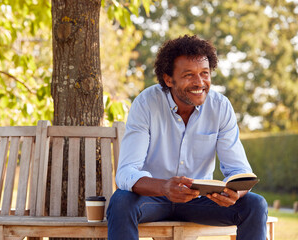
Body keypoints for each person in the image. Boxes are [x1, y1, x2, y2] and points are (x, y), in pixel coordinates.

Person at [106, 35, 268, 240]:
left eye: (204, 73)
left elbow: (240, 171)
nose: (199, 82)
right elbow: (126, 173)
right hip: (154, 199)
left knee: (256, 204)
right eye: (189, 75)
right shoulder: (146, 104)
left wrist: (236, 193)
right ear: (168, 79)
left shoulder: (220, 107)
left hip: (201, 202)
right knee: (121, 201)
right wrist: (164, 187)